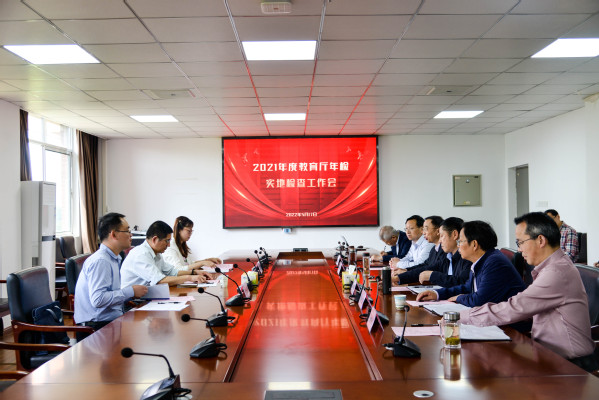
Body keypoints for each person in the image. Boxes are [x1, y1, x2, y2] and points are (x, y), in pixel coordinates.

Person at [460, 212, 597, 373]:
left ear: (540, 240)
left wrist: (460, 317)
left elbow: (515, 308)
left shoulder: (556, 273)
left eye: (521, 242)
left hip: (570, 366)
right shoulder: (553, 267)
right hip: (548, 355)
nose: (519, 249)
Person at [416, 220, 525, 307]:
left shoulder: (494, 262)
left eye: (460, 241)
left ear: (474, 244)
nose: (458, 245)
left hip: (510, 325)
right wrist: (437, 294)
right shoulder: (481, 260)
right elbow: (467, 288)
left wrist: (459, 298)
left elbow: (479, 300)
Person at [74, 213, 148, 338]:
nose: (131, 235)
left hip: (109, 321)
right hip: (95, 328)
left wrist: (133, 294)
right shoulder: (101, 261)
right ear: (113, 234)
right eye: (127, 231)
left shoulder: (114, 258)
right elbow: (98, 299)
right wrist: (131, 291)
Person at [120, 220, 211, 287]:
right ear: (155, 239)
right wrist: (189, 278)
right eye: (167, 241)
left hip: (146, 297)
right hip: (133, 303)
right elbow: (159, 280)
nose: (168, 245)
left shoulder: (157, 254)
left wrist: (194, 272)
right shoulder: (141, 254)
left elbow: (172, 272)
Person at [395, 217, 471, 287]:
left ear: (455, 235)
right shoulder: (448, 256)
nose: (440, 241)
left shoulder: (467, 258)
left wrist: (432, 276)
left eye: (442, 236)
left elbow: (462, 283)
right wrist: (399, 277)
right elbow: (427, 267)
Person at [392, 215, 446, 282]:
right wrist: (406, 270)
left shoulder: (443, 250)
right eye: (406, 229)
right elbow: (424, 265)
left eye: (425, 229)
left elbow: (429, 268)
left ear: (438, 231)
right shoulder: (434, 249)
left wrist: (400, 275)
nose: (423, 233)